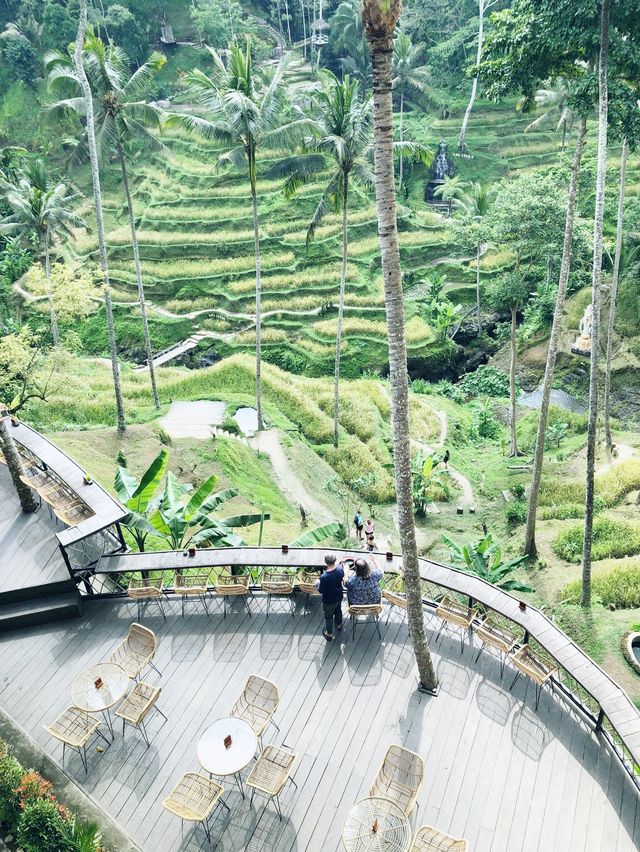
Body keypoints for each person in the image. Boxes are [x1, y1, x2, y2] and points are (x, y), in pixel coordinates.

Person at [316, 553, 344, 641]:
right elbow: (341, 576)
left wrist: (317, 583)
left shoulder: (324, 577)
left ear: (325, 562)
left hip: (329, 600)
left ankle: (329, 633)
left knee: (328, 616)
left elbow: (321, 590)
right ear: (335, 561)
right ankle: (338, 625)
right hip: (339, 596)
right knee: (338, 610)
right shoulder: (340, 569)